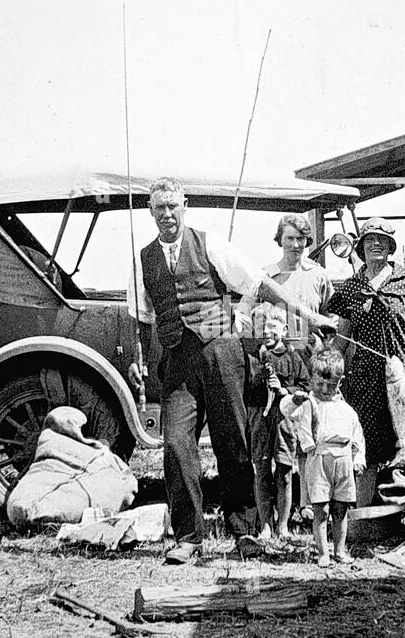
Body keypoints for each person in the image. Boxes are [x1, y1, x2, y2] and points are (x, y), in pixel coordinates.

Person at [127, 177, 336, 565]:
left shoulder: (210, 243)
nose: (167, 214)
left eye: (173, 206)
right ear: (151, 210)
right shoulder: (143, 259)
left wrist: (307, 315)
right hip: (177, 360)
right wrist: (137, 359)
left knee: (233, 441)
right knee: (175, 444)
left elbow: (259, 284)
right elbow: (141, 317)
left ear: (184, 205)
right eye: (159, 208)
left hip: (222, 351)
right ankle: (189, 536)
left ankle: (244, 532)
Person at [325, 217, 405, 525]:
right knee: (368, 447)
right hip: (366, 380)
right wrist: (327, 365)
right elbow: (342, 336)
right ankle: (360, 519)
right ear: (360, 249)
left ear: (391, 247)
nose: (375, 244)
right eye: (368, 240)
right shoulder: (351, 288)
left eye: (381, 240)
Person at [280, 349, 366, 567]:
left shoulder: (347, 410)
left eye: (331, 385)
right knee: (322, 510)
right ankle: (323, 553)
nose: (325, 390)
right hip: (318, 458)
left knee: (341, 508)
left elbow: (358, 437)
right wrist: (294, 399)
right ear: (310, 380)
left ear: (340, 382)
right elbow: (286, 410)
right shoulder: (307, 404)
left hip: (343, 459)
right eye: (319, 385)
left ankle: (339, 550)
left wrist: (359, 459)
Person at [244, 311, 308, 542]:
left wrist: (285, 391)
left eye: (272, 326)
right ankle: (265, 525)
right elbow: (245, 387)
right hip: (259, 417)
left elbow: (305, 386)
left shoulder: (293, 358)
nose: (265, 331)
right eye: (260, 325)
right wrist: (262, 377)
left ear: (284, 330)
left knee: (284, 472)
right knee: (261, 470)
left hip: (284, 420)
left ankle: (283, 524)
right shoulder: (252, 357)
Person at [236, 213, 334, 352]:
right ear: (280, 239)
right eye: (289, 238)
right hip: (276, 357)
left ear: (307, 241)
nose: (295, 245)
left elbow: (332, 317)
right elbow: (243, 313)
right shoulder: (265, 276)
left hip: (312, 355)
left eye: (300, 239)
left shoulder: (319, 275)